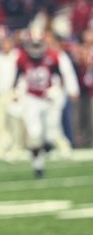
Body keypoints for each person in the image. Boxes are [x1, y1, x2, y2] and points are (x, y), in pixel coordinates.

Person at [14, 28, 77, 178]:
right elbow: (16, 77)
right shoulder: (22, 57)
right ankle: (38, 166)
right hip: (31, 99)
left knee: (51, 136)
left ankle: (44, 150)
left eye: (38, 44)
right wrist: (15, 92)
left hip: (47, 100)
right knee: (35, 135)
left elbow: (60, 77)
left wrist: (56, 89)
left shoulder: (53, 56)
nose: (35, 49)